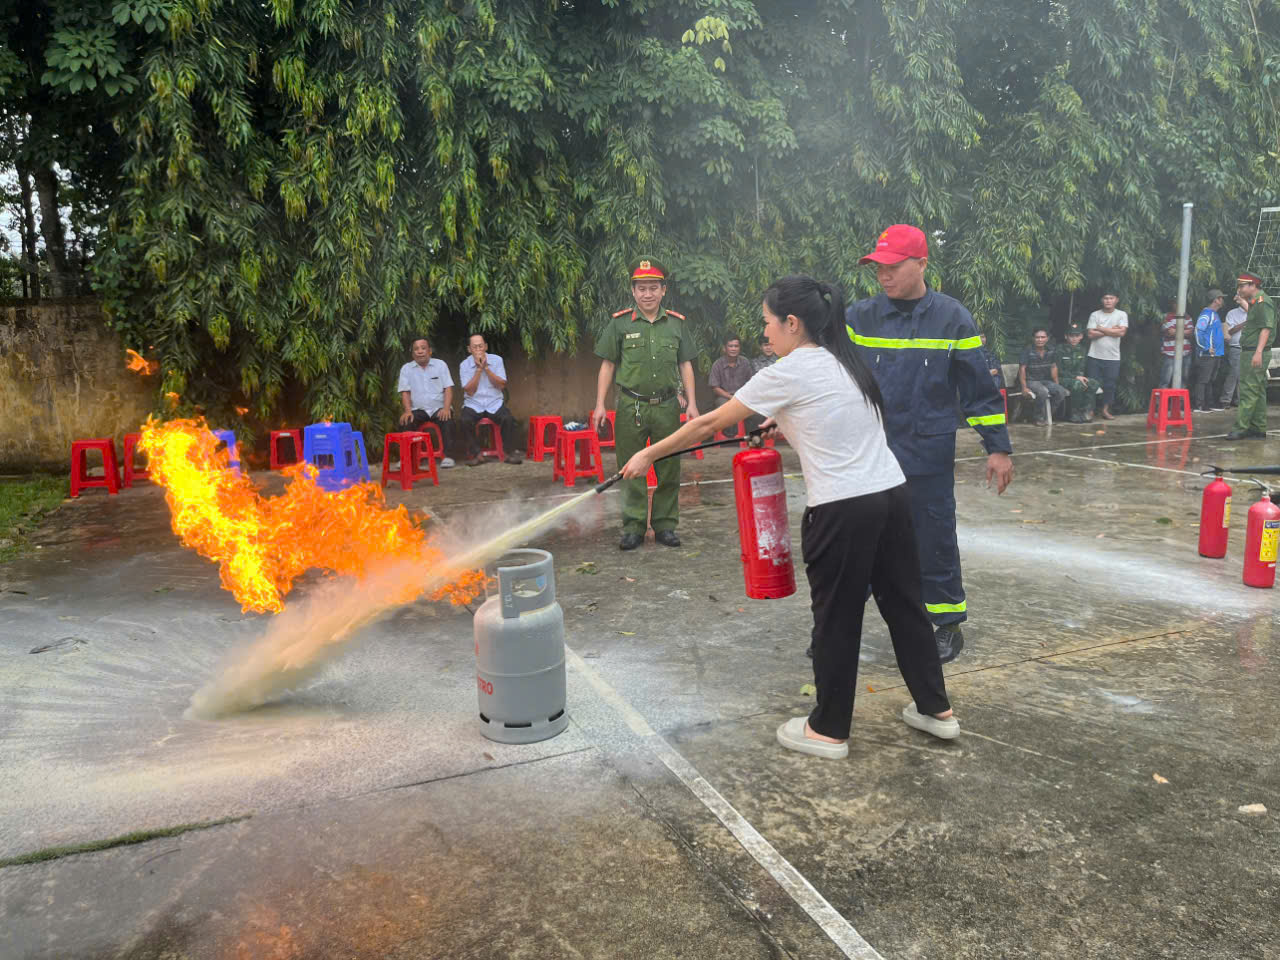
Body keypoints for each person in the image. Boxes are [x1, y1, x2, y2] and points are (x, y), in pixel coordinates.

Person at [621, 275, 958, 758]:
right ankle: (936, 710)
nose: (766, 335)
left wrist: (649, 455)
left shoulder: (789, 369)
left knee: (836, 620)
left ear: (793, 324)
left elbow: (710, 422)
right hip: (891, 496)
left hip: (844, 509)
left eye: (768, 325)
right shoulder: (845, 360)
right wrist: (786, 418)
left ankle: (829, 729)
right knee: (906, 607)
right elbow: (834, 414)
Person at [846, 224, 1014, 665]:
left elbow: (978, 390)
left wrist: (997, 448)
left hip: (927, 455)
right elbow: (825, 374)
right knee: (858, 538)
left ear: (922, 264)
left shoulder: (953, 318)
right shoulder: (859, 317)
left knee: (933, 537)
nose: (883, 275)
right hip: (870, 453)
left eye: (893, 266)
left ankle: (945, 626)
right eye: (877, 268)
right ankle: (838, 624)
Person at [591, 259, 699, 550]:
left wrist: (692, 403)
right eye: (641, 288)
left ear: (663, 290)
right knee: (629, 468)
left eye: (653, 288)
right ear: (633, 291)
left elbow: (685, 364)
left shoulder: (676, 324)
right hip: (630, 407)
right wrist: (600, 404)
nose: (647, 294)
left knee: (668, 466)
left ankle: (665, 525)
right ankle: (634, 527)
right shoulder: (620, 323)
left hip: (666, 406)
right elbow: (607, 365)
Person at [457, 334, 525, 466]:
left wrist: (486, 368)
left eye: (480, 346)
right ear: (469, 349)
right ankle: (477, 455)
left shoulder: (497, 360)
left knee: (508, 419)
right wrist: (478, 370)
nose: (478, 349)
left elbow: (501, 385)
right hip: (473, 403)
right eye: (474, 347)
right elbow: (469, 391)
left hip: (494, 402)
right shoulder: (464, 365)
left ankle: (508, 453)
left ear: (486, 347)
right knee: (465, 421)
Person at [1226, 271, 1277, 440]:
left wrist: (1258, 352)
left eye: (1242, 286)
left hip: (1254, 351)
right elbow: (1255, 318)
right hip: (1252, 350)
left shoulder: (1263, 302)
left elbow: (1266, 328)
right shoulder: (1257, 302)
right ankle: (1258, 427)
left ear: (1253, 285)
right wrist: (1242, 302)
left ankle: (1241, 428)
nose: (1239, 289)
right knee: (1259, 390)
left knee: (1248, 390)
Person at [397, 336, 457, 467]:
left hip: (439, 408)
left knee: (447, 420)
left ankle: (449, 457)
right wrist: (407, 411)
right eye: (416, 349)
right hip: (418, 409)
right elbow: (405, 392)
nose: (420, 351)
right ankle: (406, 458)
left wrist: (446, 408)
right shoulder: (406, 369)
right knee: (406, 421)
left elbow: (448, 388)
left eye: (423, 348)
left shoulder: (440, 365)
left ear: (430, 351)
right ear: (412, 354)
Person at [1085, 291, 1128, 419]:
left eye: (1111, 298)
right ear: (1101, 300)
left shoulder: (1121, 314)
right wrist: (1112, 330)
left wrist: (1101, 328)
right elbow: (1090, 334)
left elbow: (1122, 333)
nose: (1108, 300)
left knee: (1110, 385)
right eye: (1105, 298)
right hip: (1094, 355)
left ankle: (1105, 410)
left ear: (1116, 300)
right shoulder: (1095, 314)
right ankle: (1090, 410)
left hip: (1113, 357)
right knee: (1092, 384)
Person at [709, 335, 761, 431]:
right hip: (724, 397)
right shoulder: (717, 364)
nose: (733, 349)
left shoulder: (745, 362)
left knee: (758, 410)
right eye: (730, 346)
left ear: (739, 348)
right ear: (724, 348)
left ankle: (751, 435)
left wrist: (742, 396)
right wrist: (730, 397)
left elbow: (751, 382)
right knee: (723, 406)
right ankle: (730, 437)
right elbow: (715, 387)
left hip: (743, 396)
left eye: (736, 346)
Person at [1018, 327, 1067, 425]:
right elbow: (1022, 369)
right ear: (1033, 338)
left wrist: (1056, 384)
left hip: (1045, 380)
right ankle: (1038, 418)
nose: (1040, 340)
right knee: (1042, 392)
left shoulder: (1051, 350)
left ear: (1047, 338)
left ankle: (1047, 415)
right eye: (1037, 337)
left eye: (1042, 337)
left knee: (1061, 391)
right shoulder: (1027, 351)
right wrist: (1024, 387)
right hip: (1030, 380)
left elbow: (1053, 367)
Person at [1056, 323, 1099, 423]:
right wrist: (1076, 377)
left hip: (1078, 378)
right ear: (1066, 336)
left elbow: (1081, 368)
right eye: (1071, 336)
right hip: (1062, 378)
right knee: (1078, 385)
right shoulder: (1059, 349)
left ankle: (1086, 411)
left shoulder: (1082, 350)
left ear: (1081, 336)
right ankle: (1074, 413)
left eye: (1077, 336)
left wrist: (1080, 377)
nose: (1074, 338)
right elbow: (1058, 370)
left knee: (1094, 383)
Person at [1191, 290, 1226, 412]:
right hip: (1207, 354)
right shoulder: (1207, 314)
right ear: (1216, 300)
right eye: (1221, 298)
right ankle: (1199, 405)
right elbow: (1198, 331)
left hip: (1216, 353)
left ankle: (1209, 403)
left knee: (1211, 379)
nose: (1222, 300)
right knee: (1203, 379)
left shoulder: (1215, 314)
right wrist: (1206, 347)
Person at [1220, 297, 1249, 408]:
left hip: (1249, 348)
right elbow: (1230, 331)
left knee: (1244, 375)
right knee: (1233, 374)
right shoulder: (1232, 313)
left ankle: (1239, 400)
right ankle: (1225, 400)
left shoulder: (1255, 311)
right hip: (1236, 347)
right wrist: (1245, 323)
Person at [1158, 302, 1194, 389]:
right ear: (1171, 304)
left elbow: (1191, 333)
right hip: (1170, 353)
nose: (1177, 305)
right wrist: (1184, 331)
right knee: (1166, 379)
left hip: (1185, 352)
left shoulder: (1187, 317)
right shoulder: (1165, 316)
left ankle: (1180, 400)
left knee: (1184, 378)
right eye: (1175, 303)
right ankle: (1162, 401)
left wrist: (1176, 331)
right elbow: (1169, 332)